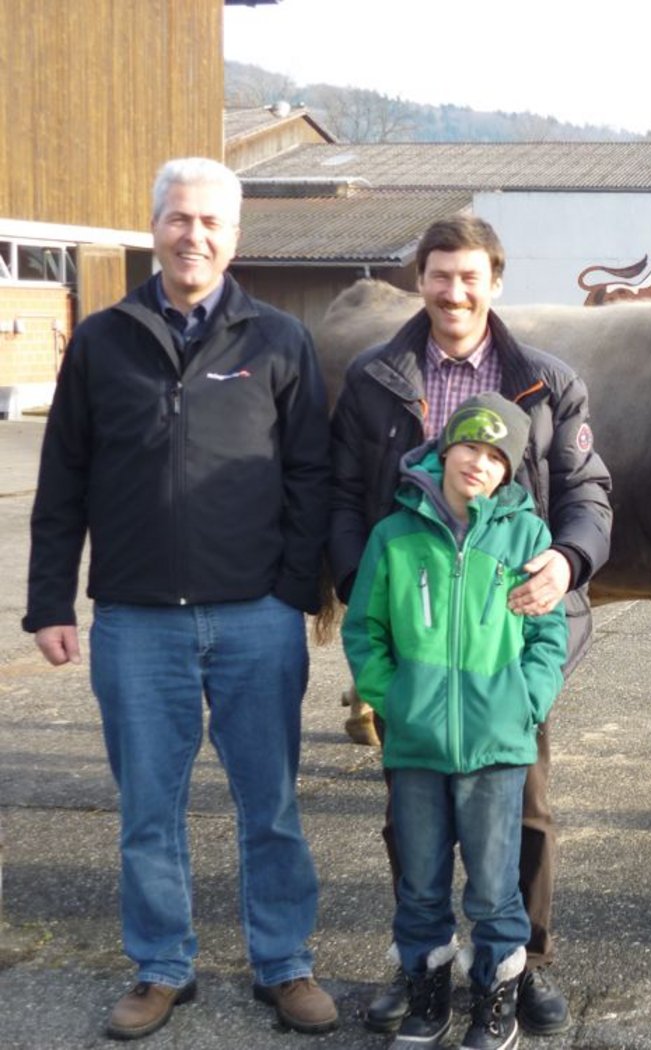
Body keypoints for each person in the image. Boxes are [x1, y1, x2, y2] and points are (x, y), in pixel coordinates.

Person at [23, 157, 338, 1038]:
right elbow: (64, 479)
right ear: (154, 225)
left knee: (268, 805)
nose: (193, 235)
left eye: (211, 223)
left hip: (255, 620)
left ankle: (284, 964)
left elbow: (310, 474)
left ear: (235, 237)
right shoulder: (101, 340)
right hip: (136, 621)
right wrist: (52, 599)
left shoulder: (279, 340)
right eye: (179, 219)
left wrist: (291, 594)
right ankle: (161, 966)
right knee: (146, 810)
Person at [329, 215, 612, 1034]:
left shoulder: (546, 380)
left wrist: (567, 561)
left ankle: (518, 970)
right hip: (415, 634)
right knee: (410, 816)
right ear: (420, 279)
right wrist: (364, 589)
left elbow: (589, 491)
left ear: (495, 281)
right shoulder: (377, 375)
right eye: (439, 275)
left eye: (470, 277)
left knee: (523, 807)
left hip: (507, 633)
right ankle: (418, 967)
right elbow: (344, 496)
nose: (454, 292)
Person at [343, 393, 568, 1050]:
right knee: (420, 885)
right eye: (470, 445)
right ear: (445, 448)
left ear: (510, 471)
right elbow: (365, 632)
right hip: (416, 746)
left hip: (497, 749)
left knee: (496, 891)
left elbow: (548, 638)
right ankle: (427, 997)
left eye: (498, 456)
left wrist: (523, 702)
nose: (480, 463)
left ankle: (493, 1005)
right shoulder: (394, 535)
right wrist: (396, 698)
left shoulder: (526, 537)